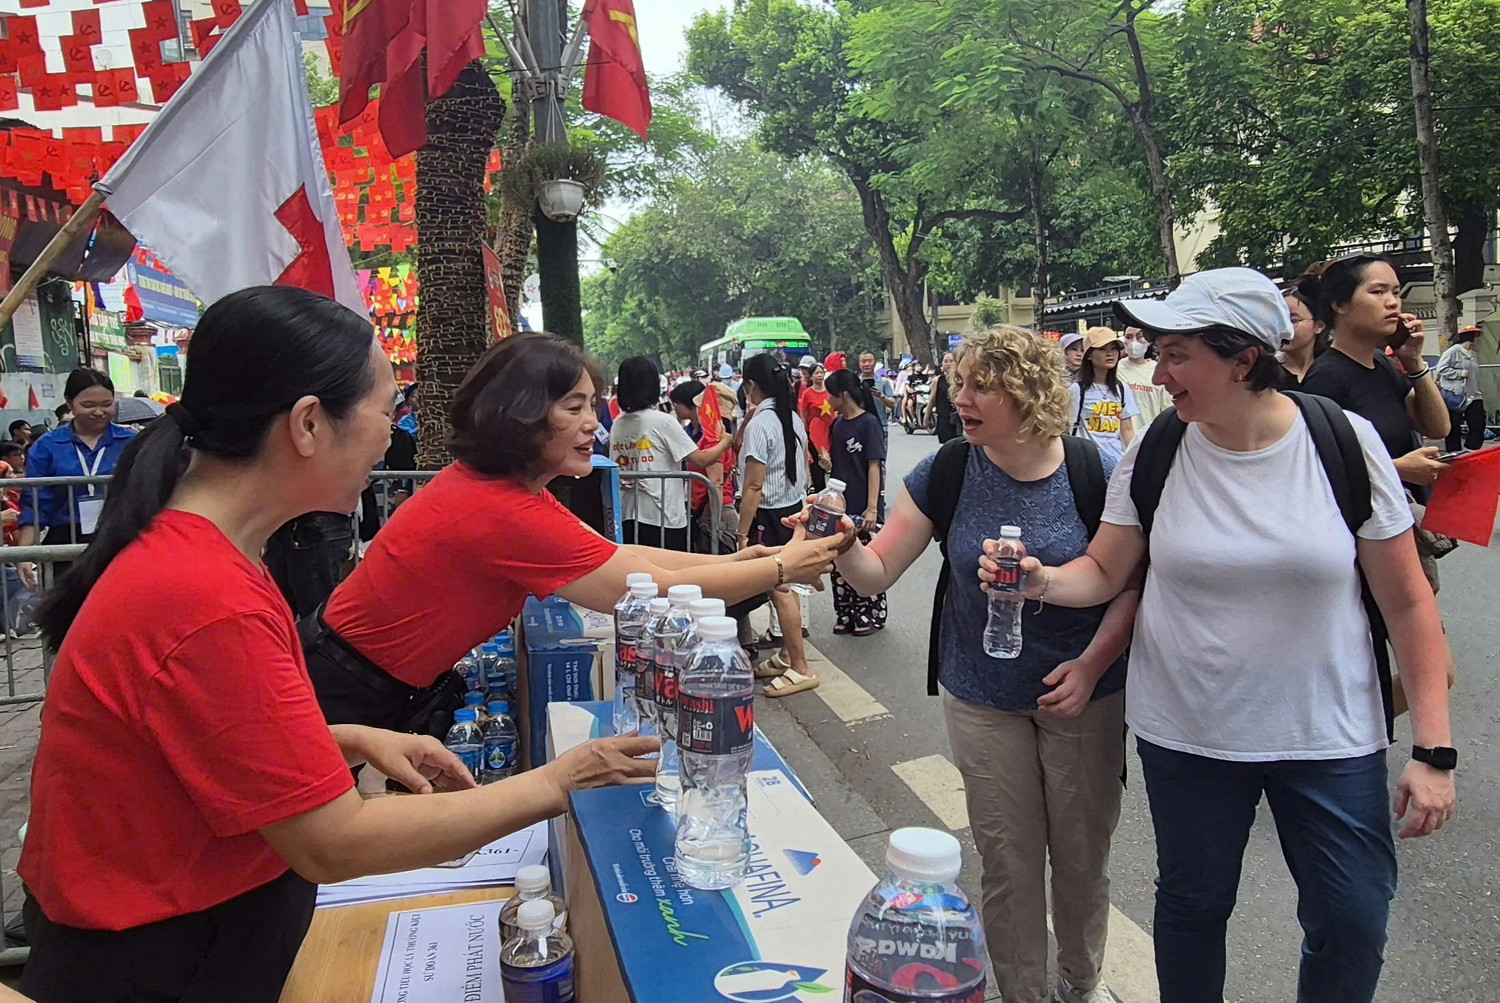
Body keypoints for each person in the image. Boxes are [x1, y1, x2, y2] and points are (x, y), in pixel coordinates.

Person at [16, 287, 659, 1001]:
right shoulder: (204, 595)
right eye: (385, 409)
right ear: (309, 424)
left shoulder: (207, 558)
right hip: (162, 958)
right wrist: (558, 781)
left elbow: (196, 740)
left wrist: (342, 738)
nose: (390, 435)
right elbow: (333, 840)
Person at [988, 268, 1455, 1003]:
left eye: (1178, 355)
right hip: (1191, 736)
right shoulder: (1159, 449)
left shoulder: (1343, 441)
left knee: (1353, 918)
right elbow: (1105, 570)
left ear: (1243, 361)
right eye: (1160, 353)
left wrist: (1433, 751)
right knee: (1193, 908)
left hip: (1328, 736)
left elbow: (1408, 605)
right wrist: (1040, 580)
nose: (1159, 373)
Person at [310, 334, 841, 731]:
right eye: (574, 407)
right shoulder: (500, 509)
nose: (595, 423)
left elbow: (618, 555)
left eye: (593, 404)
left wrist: (746, 559)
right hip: (344, 693)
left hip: (359, 681)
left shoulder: (506, 490)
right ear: (520, 416)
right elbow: (646, 588)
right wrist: (781, 567)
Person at [832, 326, 1136, 1003]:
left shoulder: (1098, 468)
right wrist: (840, 543)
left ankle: (1080, 982)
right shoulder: (947, 469)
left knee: (1082, 858)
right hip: (981, 694)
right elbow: (876, 571)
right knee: (1008, 863)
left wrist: (1091, 665)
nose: (960, 399)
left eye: (981, 387)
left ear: (1026, 393)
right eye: (959, 384)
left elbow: (1130, 582)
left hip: (1084, 693)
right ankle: (1023, 993)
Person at [1298, 255, 1451, 501]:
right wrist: (1396, 469)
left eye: (1396, 292)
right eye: (1378, 292)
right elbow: (1316, 467)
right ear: (1339, 304)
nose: (1392, 303)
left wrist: (1413, 363)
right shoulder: (1325, 377)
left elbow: (1438, 427)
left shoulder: (1382, 362)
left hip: (1402, 509)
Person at [737, 352, 819, 697]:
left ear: (750, 385)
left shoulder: (761, 423)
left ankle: (801, 666)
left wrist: (742, 532)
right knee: (787, 588)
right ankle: (788, 653)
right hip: (792, 508)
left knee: (780, 590)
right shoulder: (791, 417)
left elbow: (754, 485)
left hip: (769, 514)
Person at [17, 369, 136, 589]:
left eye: (107, 404)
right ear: (69, 403)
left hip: (119, 537)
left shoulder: (131, 442)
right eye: (89, 405)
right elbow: (35, 502)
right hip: (64, 540)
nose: (99, 412)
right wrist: (23, 553)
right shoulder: (47, 446)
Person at [611, 356, 733, 551]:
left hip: (628, 514)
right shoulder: (663, 422)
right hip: (663, 515)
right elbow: (701, 460)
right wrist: (726, 442)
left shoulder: (618, 423)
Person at [824, 369, 888, 636]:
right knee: (839, 562)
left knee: (865, 562)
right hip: (840, 505)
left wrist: (872, 507)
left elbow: (874, 466)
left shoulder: (869, 424)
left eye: (831, 395)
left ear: (843, 395)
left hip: (864, 505)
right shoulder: (837, 425)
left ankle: (870, 614)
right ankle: (845, 613)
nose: (828, 400)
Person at [669, 380, 738, 554]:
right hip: (709, 511)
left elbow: (716, 483)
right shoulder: (718, 437)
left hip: (715, 513)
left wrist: (715, 523)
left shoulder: (714, 440)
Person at [1069, 328, 1140, 462]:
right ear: (1089, 355)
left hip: (1116, 461)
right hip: (1087, 461)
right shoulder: (1077, 390)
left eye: (1113, 348)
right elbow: (1068, 428)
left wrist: (1136, 458)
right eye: (1102, 349)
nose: (1110, 354)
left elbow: (1127, 430)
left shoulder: (1122, 389)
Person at [1436, 326, 1486, 453]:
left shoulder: (1473, 354)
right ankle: (1454, 452)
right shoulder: (1453, 351)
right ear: (1471, 338)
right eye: (1476, 337)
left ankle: (1470, 449)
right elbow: (1441, 368)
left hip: (1474, 395)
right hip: (1456, 395)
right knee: (1453, 426)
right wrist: (1459, 373)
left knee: (1478, 423)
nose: (1478, 341)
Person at [1118, 327, 1170, 426]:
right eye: (1128, 337)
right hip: (1120, 434)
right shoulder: (1115, 369)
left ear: (1149, 341)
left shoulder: (1159, 371)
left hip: (1149, 432)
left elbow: (1167, 409)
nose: (1134, 342)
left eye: (1140, 337)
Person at [798, 362, 835, 493]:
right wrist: (804, 433)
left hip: (830, 431)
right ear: (811, 376)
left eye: (821, 372)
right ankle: (819, 493)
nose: (819, 375)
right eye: (816, 373)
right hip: (814, 434)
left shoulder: (830, 391)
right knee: (817, 467)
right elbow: (803, 414)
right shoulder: (807, 394)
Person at [1280, 286, 1327, 385]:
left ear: (1319, 325)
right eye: (1279, 320)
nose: (1284, 328)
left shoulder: (1333, 369)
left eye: (1293, 320)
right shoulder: (1267, 374)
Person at [858, 351, 898, 430]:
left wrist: (881, 396)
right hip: (859, 426)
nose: (867, 364)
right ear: (859, 364)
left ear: (875, 363)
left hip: (880, 425)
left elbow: (893, 404)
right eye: (863, 361)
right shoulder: (855, 382)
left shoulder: (884, 382)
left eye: (870, 361)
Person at [928, 351, 960, 442]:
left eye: (951, 361)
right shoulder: (937, 380)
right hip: (944, 417)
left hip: (958, 418)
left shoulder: (960, 379)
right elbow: (932, 399)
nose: (948, 364)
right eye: (946, 361)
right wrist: (927, 416)